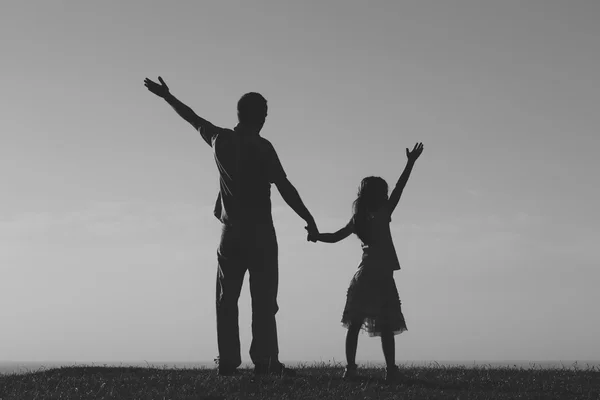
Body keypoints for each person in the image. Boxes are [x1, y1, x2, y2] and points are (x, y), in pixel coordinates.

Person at [144, 76, 319, 377]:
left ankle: (228, 362)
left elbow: (193, 118)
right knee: (264, 300)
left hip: (232, 233)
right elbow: (284, 186)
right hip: (261, 233)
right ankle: (264, 362)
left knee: (227, 300)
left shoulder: (220, 139)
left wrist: (167, 97)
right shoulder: (263, 147)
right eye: (264, 112)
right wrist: (309, 219)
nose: (266, 117)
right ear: (256, 115)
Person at [307, 142, 424, 382]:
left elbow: (336, 236)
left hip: (364, 275)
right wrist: (410, 163)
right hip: (381, 276)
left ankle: (350, 369)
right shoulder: (384, 212)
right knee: (387, 324)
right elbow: (400, 188)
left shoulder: (358, 219)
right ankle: (391, 370)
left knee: (355, 322)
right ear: (381, 195)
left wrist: (317, 236)